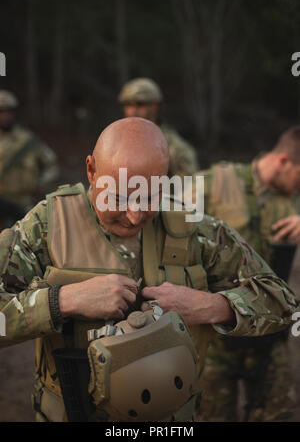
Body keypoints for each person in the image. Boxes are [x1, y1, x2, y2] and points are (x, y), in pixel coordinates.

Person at [0, 117, 297, 422]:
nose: (134, 215)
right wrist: (62, 301)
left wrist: (211, 306)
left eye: (149, 196)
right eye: (119, 196)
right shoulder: (46, 227)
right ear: (91, 170)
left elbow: (283, 301)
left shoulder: (193, 228)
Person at [192, 126, 300, 422]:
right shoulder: (214, 183)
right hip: (215, 335)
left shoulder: (292, 198)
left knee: (280, 414)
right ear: (283, 161)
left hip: (269, 329)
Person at [118, 77, 199, 178]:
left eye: (140, 105)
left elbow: (188, 189)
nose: (132, 111)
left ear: (155, 105)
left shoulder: (175, 149)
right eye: (128, 105)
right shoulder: (116, 143)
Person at [0, 89, 59, 211]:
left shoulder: (27, 140)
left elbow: (52, 165)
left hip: (23, 204)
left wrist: (41, 184)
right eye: (2, 112)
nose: (5, 116)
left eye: (9, 111)